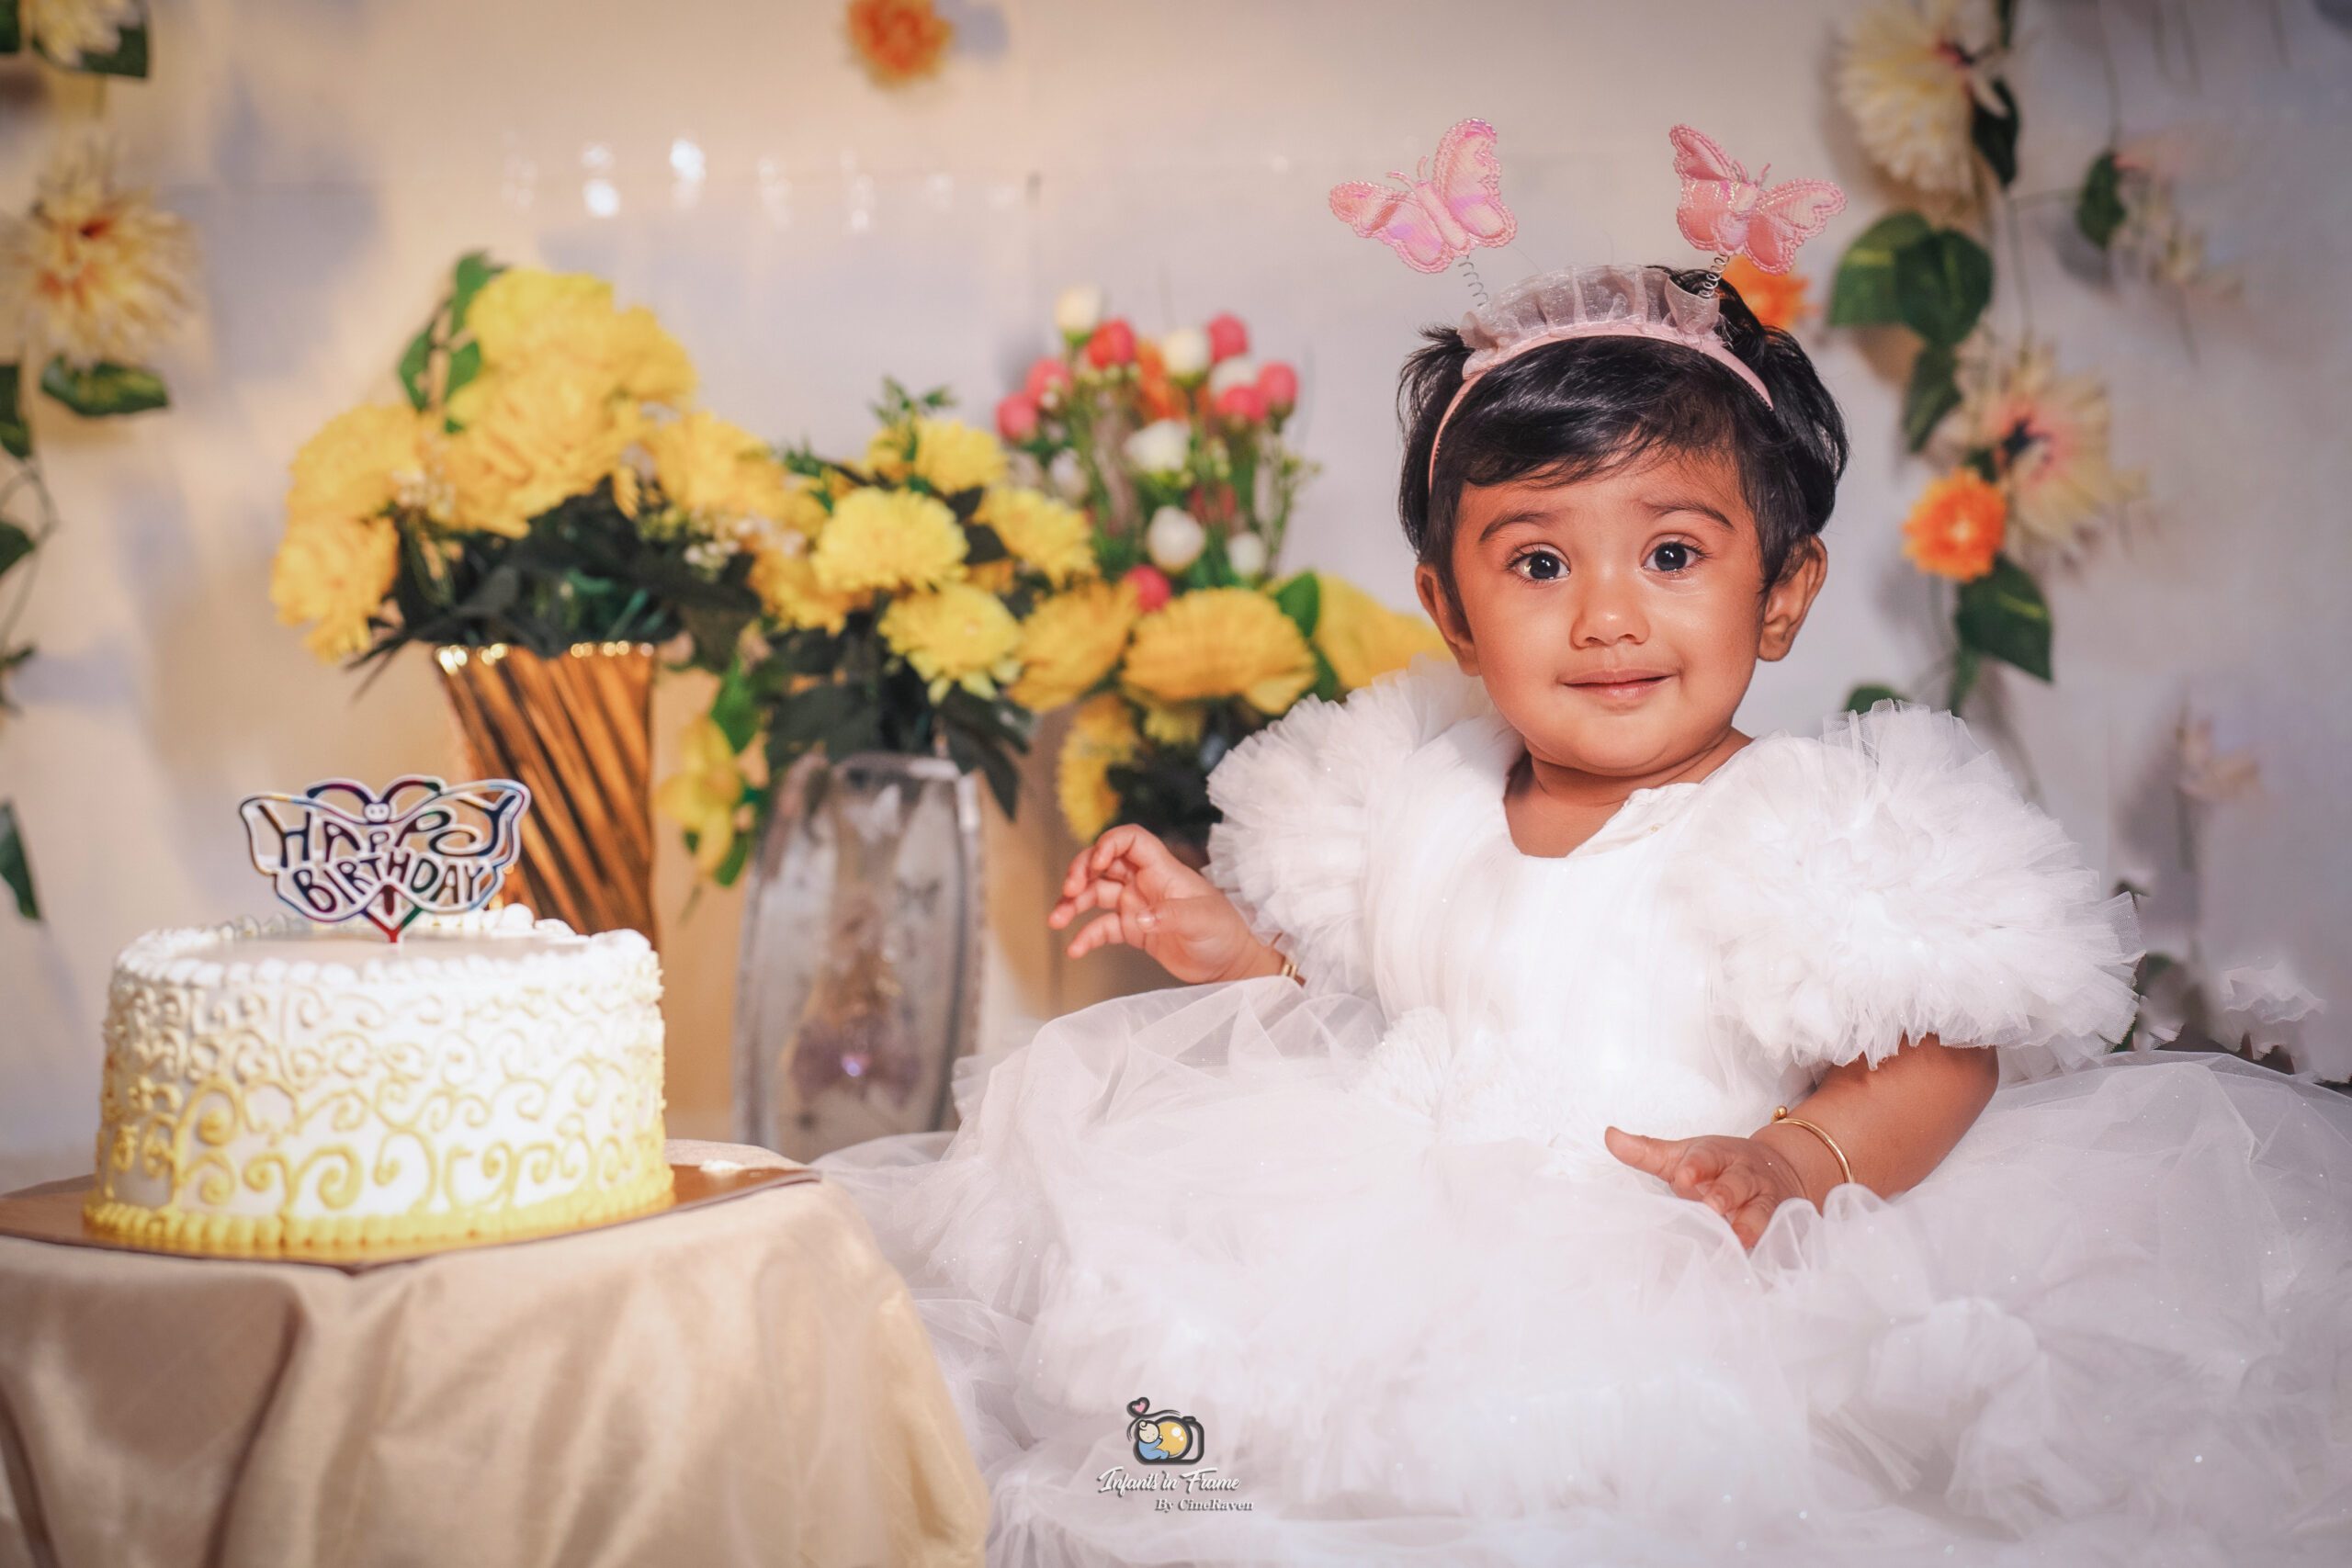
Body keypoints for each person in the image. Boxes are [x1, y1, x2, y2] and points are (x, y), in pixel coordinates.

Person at [818, 262, 2352, 1566]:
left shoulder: (1804, 822)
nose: (1608, 616)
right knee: (1271, 1484)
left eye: (1673, 554)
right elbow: (1375, 992)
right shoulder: (1413, 787)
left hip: (1697, 1285)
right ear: (1449, 607)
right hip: (1384, 1269)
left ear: (1783, 591)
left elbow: (1937, 1052)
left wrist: (1795, 1158)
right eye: (1539, 562)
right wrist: (1229, 946)